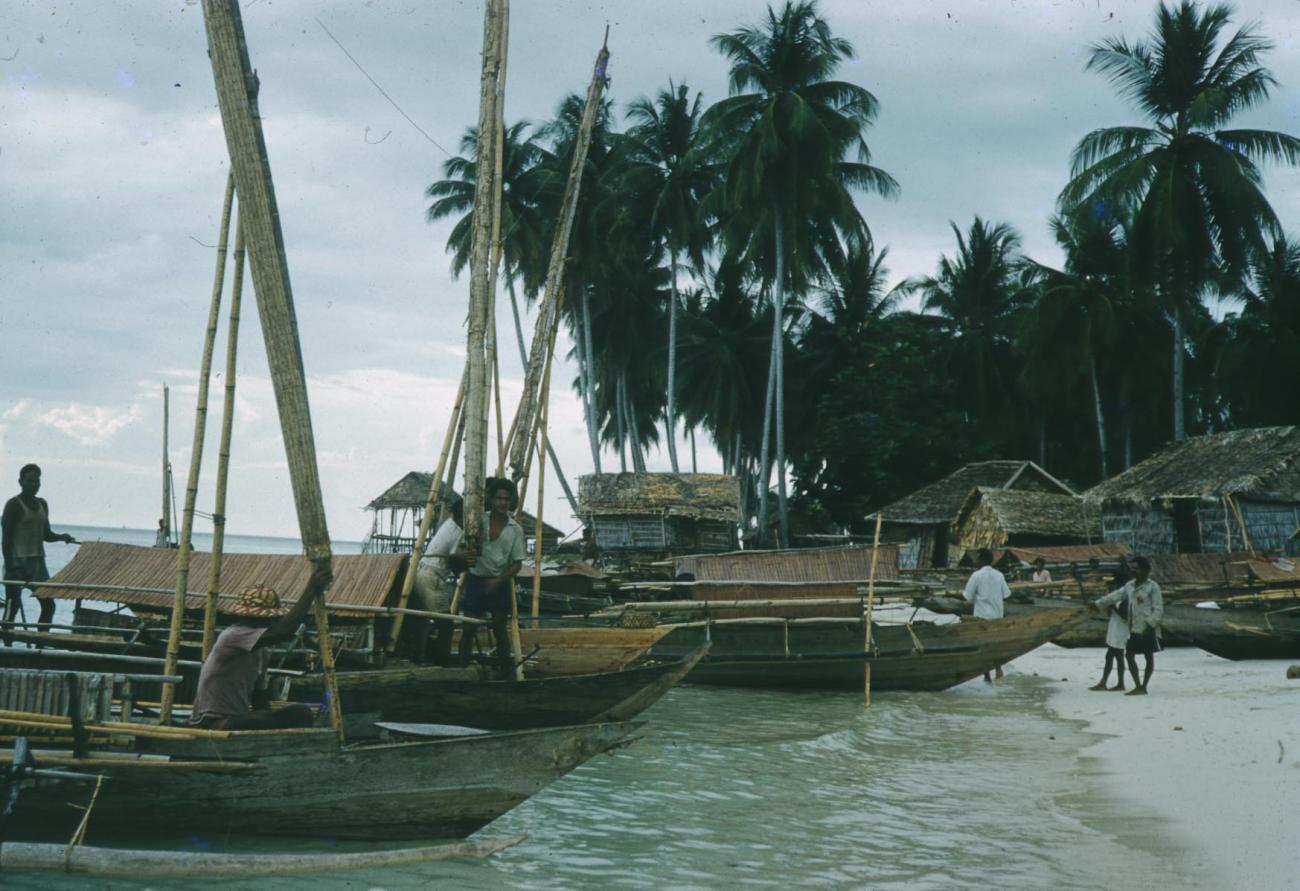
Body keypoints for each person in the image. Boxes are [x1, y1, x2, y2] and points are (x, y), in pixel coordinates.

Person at [189, 564, 331, 729]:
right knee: (261, 719)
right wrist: (311, 590)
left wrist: (270, 721)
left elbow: (259, 695)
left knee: (301, 712)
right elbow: (283, 632)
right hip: (213, 722)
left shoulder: (261, 651)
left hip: (237, 718)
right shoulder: (233, 636)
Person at [458, 478, 526, 675]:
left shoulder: (515, 529)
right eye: (499, 498)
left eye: (506, 499)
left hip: (500, 583)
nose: (502, 503)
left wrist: (498, 581)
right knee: (468, 629)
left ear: (511, 501)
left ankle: (505, 672)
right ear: (492, 500)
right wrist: (466, 555)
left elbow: (517, 564)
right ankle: (462, 669)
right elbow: (461, 548)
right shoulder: (478, 521)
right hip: (476, 580)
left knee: (500, 630)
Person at [2, 464, 78, 635]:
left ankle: (41, 642)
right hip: (17, 562)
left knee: (49, 605)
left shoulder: (42, 504)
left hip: (37, 564)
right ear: (20, 482)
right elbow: (6, 539)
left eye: (37, 481)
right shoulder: (13, 505)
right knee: (12, 607)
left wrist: (62, 537)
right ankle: (7, 644)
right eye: (29, 481)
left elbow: (46, 535)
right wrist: (11, 566)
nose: (34, 485)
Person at [406, 496, 466, 665]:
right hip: (431, 577)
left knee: (423, 620)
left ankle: (421, 656)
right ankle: (442, 659)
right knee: (446, 623)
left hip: (422, 572)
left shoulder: (448, 524)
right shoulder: (458, 532)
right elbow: (455, 561)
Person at [1094, 555, 1162, 695]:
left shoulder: (1153, 587)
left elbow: (1158, 609)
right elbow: (1115, 596)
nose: (1133, 571)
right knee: (1129, 655)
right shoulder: (1129, 585)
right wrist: (1098, 603)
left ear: (1145, 570)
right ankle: (1138, 685)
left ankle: (1143, 686)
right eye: (1132, 568)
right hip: (1134, 627)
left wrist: (1150, 624)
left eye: (1136, 568)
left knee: (1148, 657)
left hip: (1147, 627)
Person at [963, 547, 1011, 682]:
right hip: (997, 617)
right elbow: (1006, 595)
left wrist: (950, 595)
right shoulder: (999, 575)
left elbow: (967, 597)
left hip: (981, 618)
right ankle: (998, 670)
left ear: (982, 560)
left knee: (983, 647)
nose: (976, 561)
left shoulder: (976, 575)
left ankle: (987, 678)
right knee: (995, 645)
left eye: (977, 558)